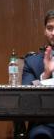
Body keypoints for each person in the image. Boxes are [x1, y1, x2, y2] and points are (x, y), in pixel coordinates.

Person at [22, 9, 54, 139]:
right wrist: (45, 75)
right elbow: (24, 97)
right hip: (45, 125)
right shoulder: (31, 62)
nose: (53, 33)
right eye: (49, 28)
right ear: (44, 31)